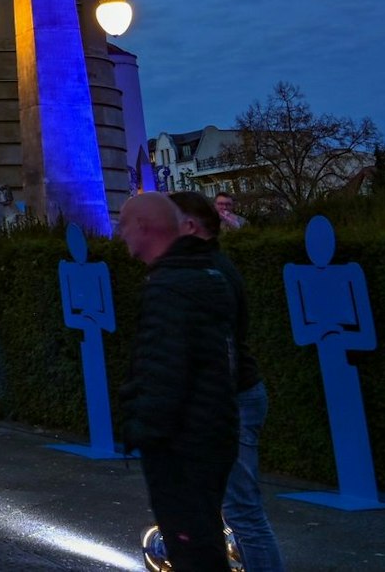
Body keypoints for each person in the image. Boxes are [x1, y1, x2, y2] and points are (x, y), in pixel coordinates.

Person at [119, 193, 239, 572]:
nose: (120, 235)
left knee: (193, 552)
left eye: (124, 225)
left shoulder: (169, 286)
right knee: (201, 546)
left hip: (183, 445)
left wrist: (141, 427)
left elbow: (164, 369)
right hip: (209, 434)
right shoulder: (202, 273)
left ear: (143, 227)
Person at [170, 192, 284, 572]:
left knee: (243, 511)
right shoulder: (207, 268)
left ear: (189, 226)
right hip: (228, 399)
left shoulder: (209, 275)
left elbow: (223, 350)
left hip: (229, 402)